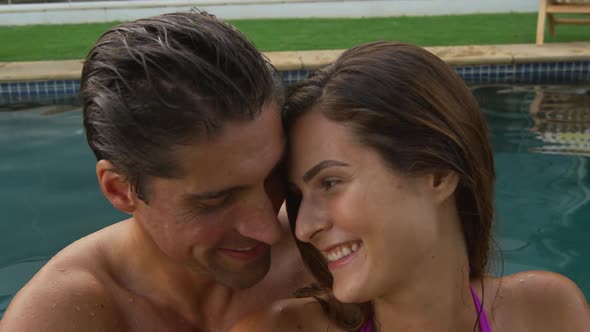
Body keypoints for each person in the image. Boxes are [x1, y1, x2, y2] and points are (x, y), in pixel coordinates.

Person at [230, 42, 590, 332]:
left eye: (331, 182)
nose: (305, 228)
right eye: (297, 196)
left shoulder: (545, 313)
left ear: (438, 173)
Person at [0, 12, 310, 332]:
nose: (270, 230)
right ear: (121, 189)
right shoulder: (58, 319)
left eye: (274, 174)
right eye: (216, 199)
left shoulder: (324, 254)